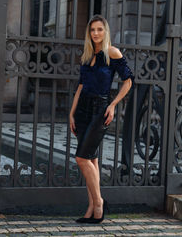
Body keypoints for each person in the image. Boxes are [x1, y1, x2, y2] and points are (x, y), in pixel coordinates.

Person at [69, 15, 133, 224]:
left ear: (105, 31)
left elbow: (128, 81)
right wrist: (72, 112)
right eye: (92, 30)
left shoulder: (112, 53)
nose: (95, 33)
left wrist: (113, 105)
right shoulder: (88, 55)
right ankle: (92, 207)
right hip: (83, 111)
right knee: (91, 159)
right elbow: (80, 86)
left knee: (82, 158)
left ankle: (99, 203)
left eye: (99, 29)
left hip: (100, 109)